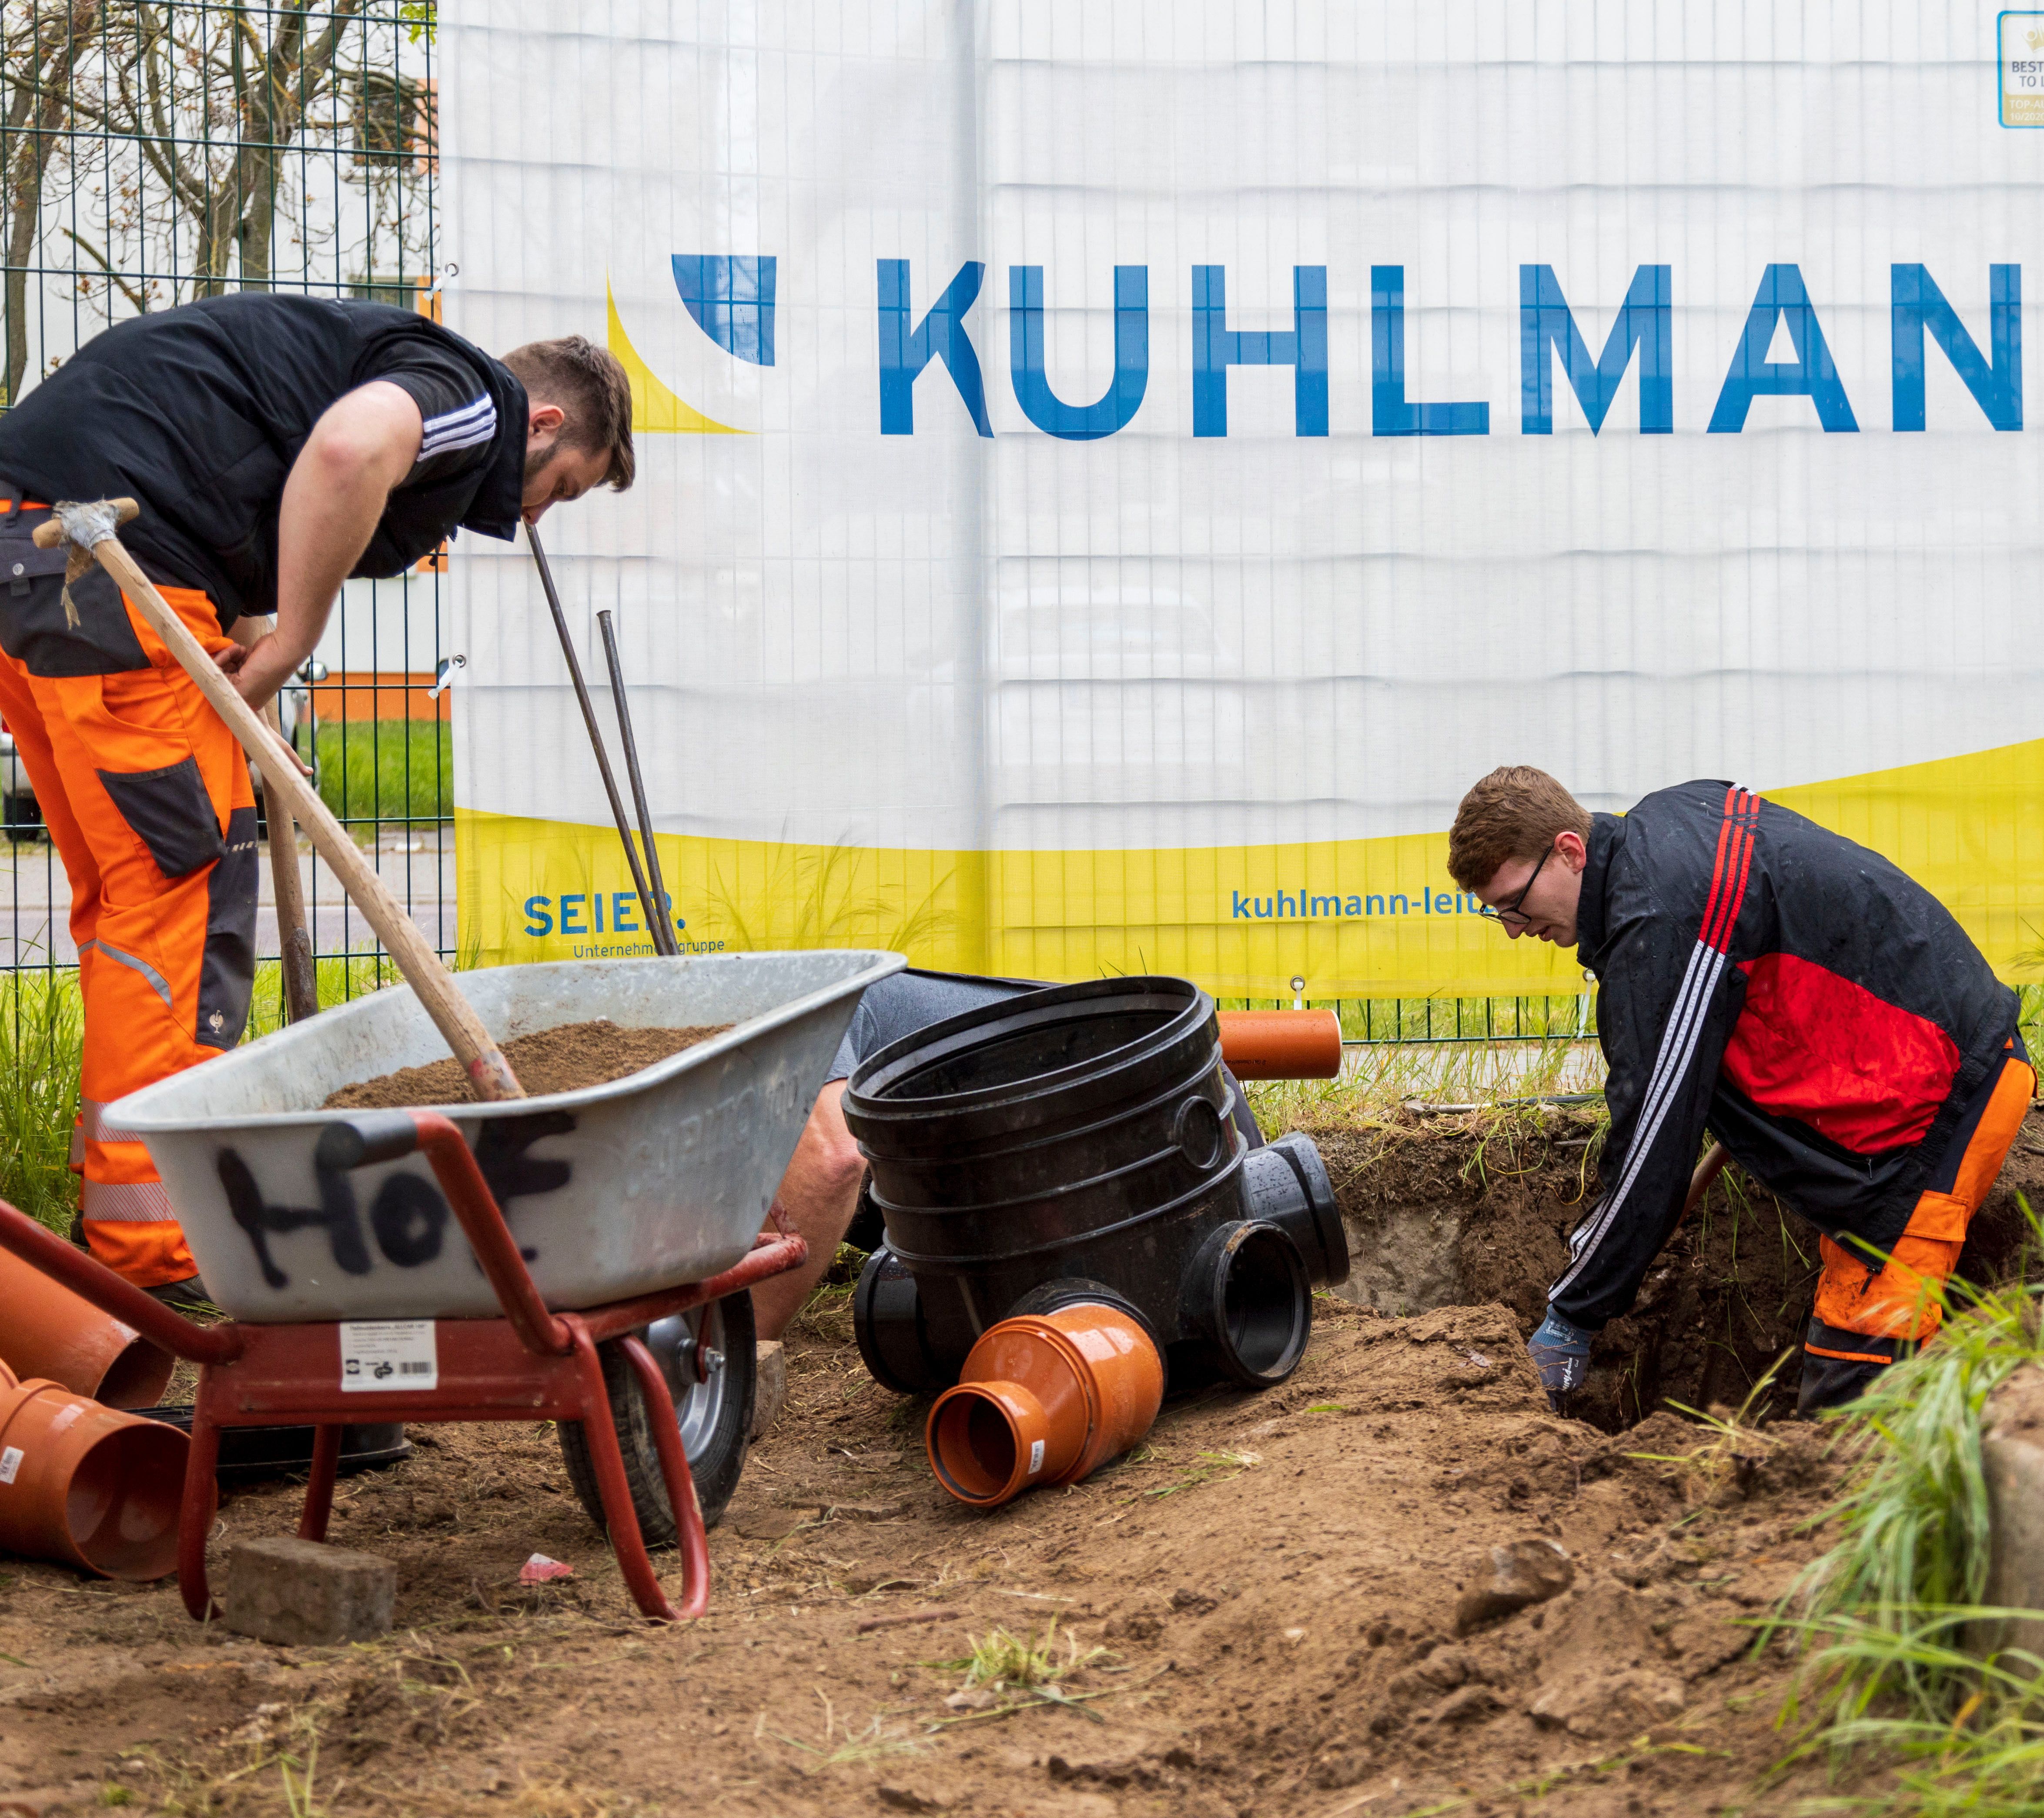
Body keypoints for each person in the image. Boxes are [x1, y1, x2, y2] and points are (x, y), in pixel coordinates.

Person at [0, 294, 634, 1302]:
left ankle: (115, 1217)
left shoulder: (342, 358)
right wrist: (294, 639)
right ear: (545, 424)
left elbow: (240, 498)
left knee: (126, 903)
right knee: (180, 906)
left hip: (36, 548)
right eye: (558, 489)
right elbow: (343, 455)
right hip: (113, 564)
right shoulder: (477, 398)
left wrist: (263, 711)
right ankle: (152, 1255)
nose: (532, 519)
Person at [1446, 767, 2032, 1414]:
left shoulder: (1659, 923)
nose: (1511, 927)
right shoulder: (1670, 819)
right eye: (1494, 913)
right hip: (1908, 1059)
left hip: (1932, 1107)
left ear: (1568, 851)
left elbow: (1650, 1141)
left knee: (1851, 1402)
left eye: (1513, 903)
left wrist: (1573, 1313)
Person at [751, 969, 1266, 1340]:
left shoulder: (798, 1002)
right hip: (1174, 1131)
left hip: (1165, 1123)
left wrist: (728, 1356)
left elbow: (831, 1165)